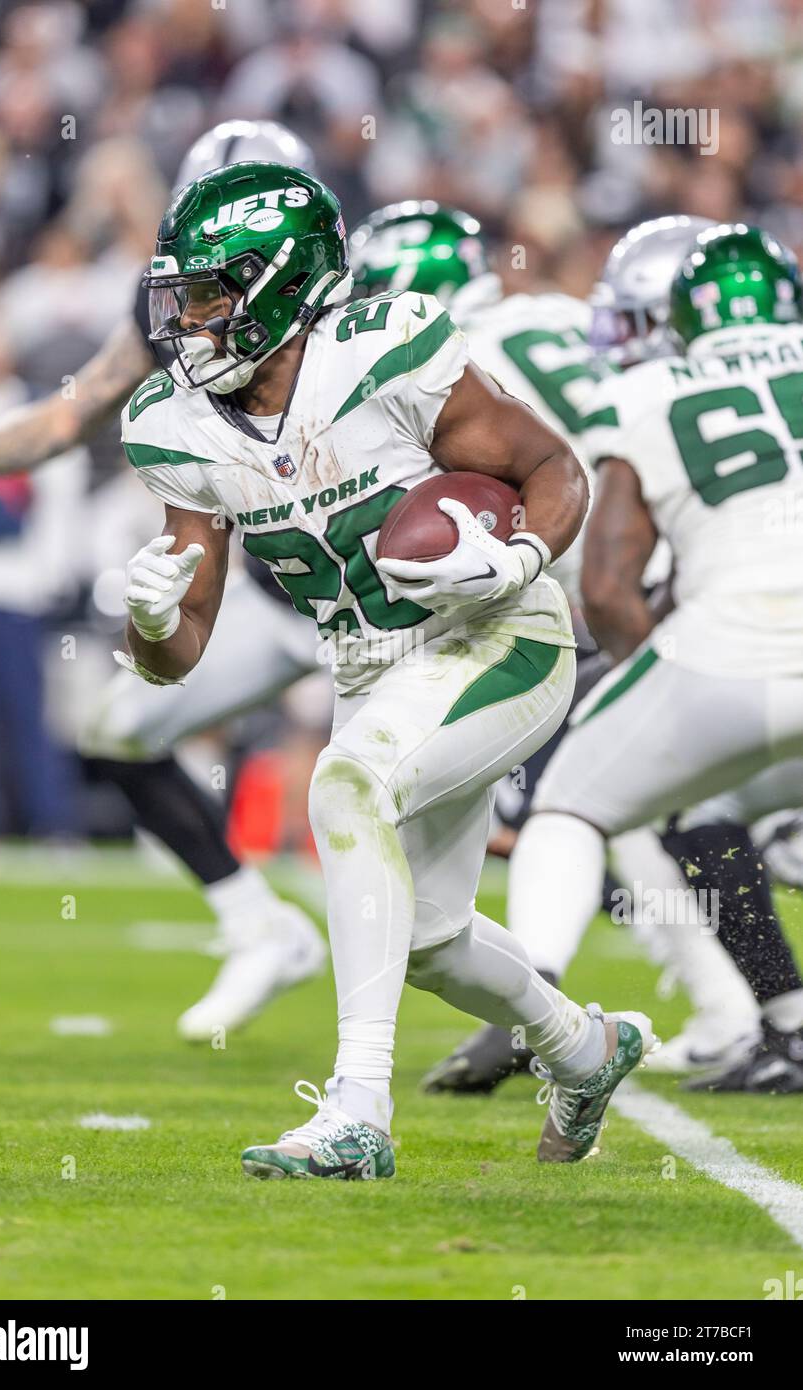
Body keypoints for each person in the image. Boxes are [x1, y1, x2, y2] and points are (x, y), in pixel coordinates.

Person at [118, 158, 654, 1179]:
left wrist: (519, 555)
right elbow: (174, 654)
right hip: (370, 667)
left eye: (206, 293)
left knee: (346, 780)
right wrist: (147, 619)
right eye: (179, 296)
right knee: (429, 937)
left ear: (281, 282)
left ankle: (356, 1110)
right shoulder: (173, 425)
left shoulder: (384, 349)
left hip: (501, 635)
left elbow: (550, 470)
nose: (185, 320)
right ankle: (585, 1048)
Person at [0, 120, 328, 1039]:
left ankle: (534, 1006)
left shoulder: (369, 314)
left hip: (378, 597)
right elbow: (81, 407)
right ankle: (257, 926)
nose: (207, 283)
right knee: (118, 732)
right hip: (270, 594)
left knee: (380, 812)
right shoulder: (172, 300)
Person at [502, 223, 803, 1095]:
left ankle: (542, 1010)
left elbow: (606, 586)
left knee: (570, 804)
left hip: (725, 653)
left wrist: (653, 679)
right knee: (699, 816)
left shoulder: (650, 389)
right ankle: (786, 1020)